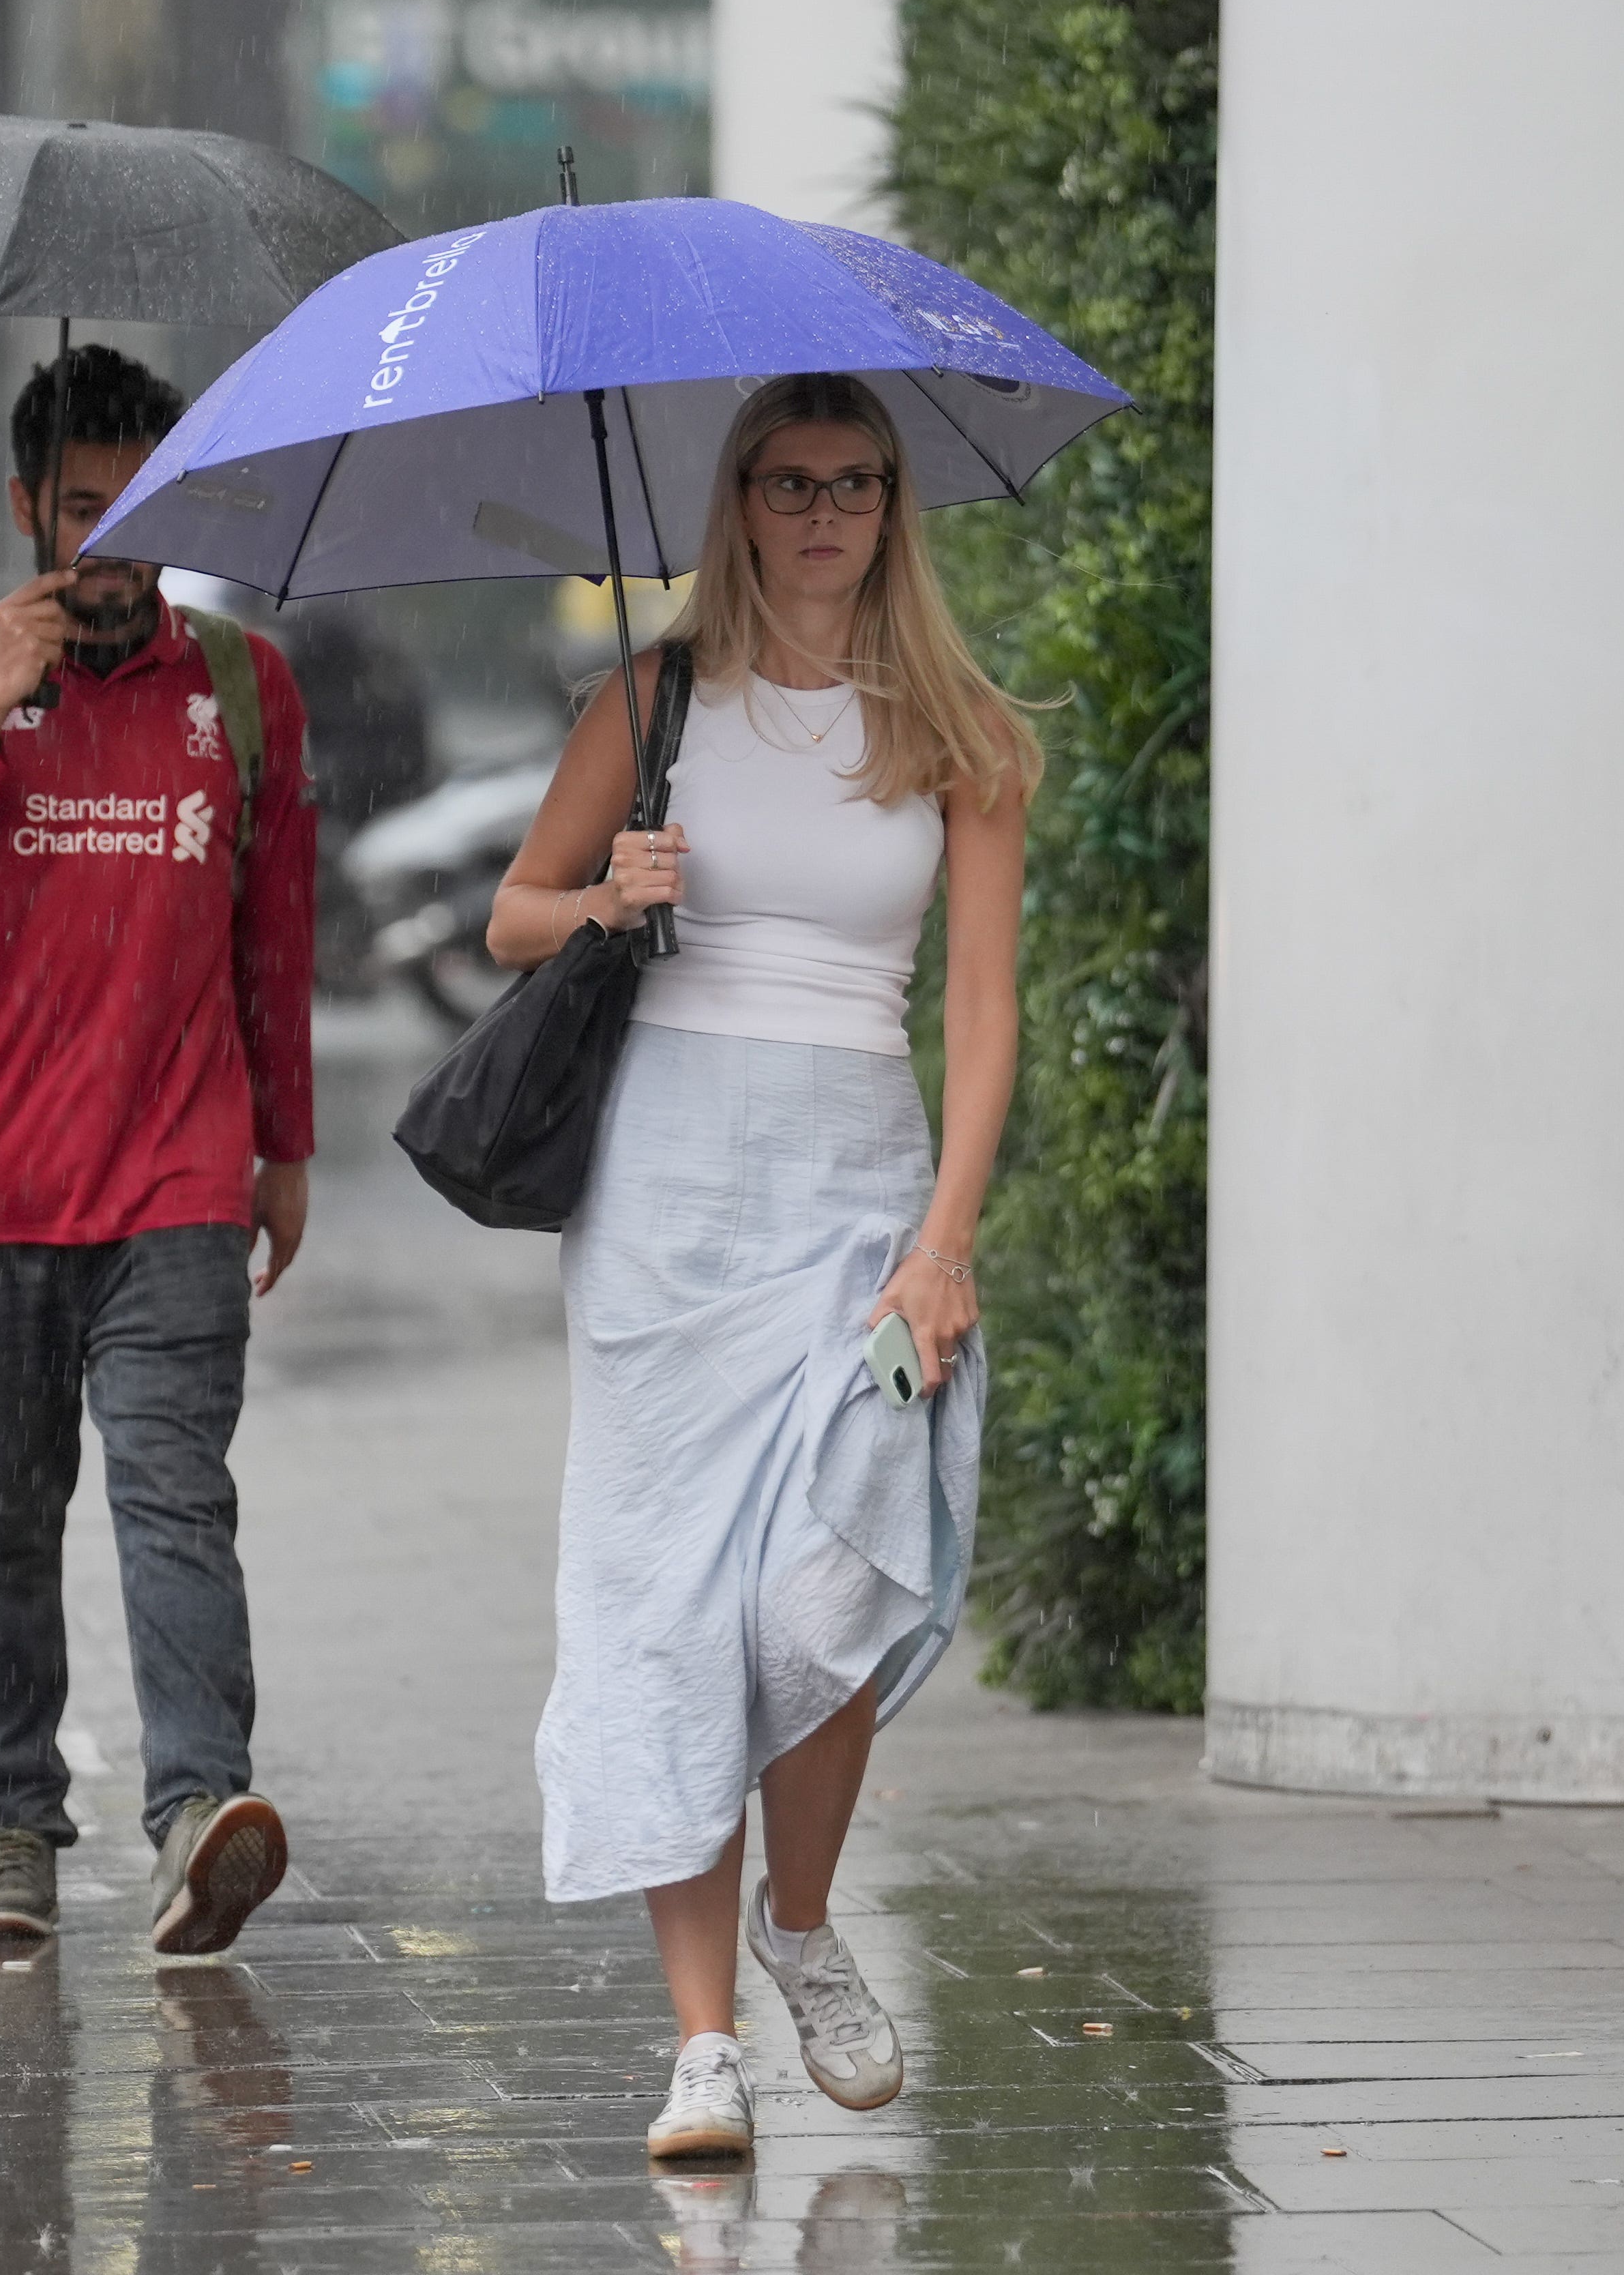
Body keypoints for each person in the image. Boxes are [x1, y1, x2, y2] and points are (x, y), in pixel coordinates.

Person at [487, 373, 1037, 2165]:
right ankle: (705, 2043)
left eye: (855, 483)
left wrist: (945, 1241)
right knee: (669, 1615)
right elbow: (513, 916)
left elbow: (978, 1011)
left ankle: (802, 1921)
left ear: (894, 504)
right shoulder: (653, 701)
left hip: (864, 1193)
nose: (822, 515)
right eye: (788, 483)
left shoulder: (956, 729)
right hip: (667, 1204)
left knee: (824, 1597)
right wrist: (608, 900)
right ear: (739, 502)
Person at [0, 348, 317, 1957]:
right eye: (84, 509)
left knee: (175, 1500)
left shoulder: (239, 687)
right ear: (24, 504)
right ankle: (16, 1825)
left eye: (146, 510)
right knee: (0, 1519)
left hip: (175, 1182)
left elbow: (275, 936)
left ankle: (196, 1815)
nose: (113, 545)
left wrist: (283, 1149)